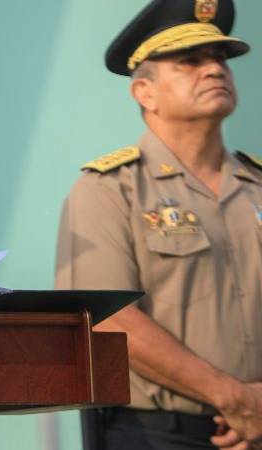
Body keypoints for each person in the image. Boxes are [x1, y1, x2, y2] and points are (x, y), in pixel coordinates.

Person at [55, 1, 262, 449]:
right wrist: (235, 398)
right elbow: (107, 319)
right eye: (190, 61)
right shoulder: (110, 190)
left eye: (220, 58)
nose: (214, 69)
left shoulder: (257, 186)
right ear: (145, 92)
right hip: (156, 435)